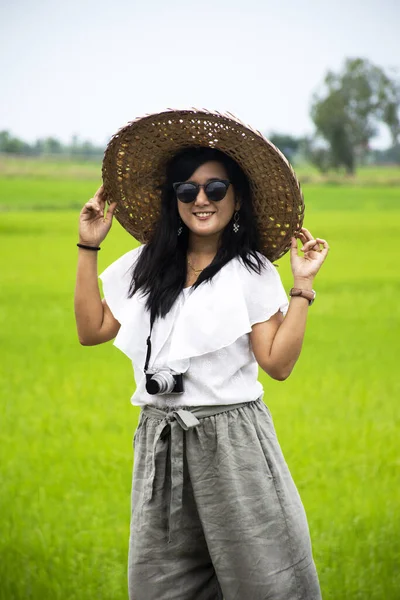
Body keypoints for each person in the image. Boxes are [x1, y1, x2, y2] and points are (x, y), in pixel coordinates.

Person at [74, 109, 329, 600]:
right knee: (161, 586)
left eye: (215, 188)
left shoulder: (252, 272)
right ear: (174, 200)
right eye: (187, 190)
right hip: (160, 443)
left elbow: (277, 364)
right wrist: (88, 247)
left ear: (236, 196)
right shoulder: (144, 265)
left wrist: (302, 287)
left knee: (265, 580)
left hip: (233, 442)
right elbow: (91, 330)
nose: (202, 200)